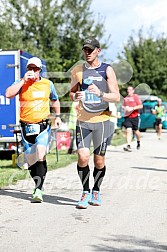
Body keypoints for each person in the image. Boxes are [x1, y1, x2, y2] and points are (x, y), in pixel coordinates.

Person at [70, 37, 120, 209]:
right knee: (83, 156)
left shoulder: (107, 70)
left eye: (91, 50)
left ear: (98, 50)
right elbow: (71, 93)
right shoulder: (77, 70)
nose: (87, 52)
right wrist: (75, 96)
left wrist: (100, 94)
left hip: (103, 121)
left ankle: (96, 190)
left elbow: (116, 96)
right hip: (83, 120)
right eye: (85, 49)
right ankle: (85, 191)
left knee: (99, 161)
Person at [5, 57, 61, 202]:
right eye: (29, 68)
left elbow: (55, 100)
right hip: (26, 127)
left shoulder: (48, 84)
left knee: (40, 153)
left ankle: (38, 190)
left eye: (35, 69)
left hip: (42, 125)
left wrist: (58, 116)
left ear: (40, 70)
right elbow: (8, 94)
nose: (32, 71)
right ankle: (38, 185)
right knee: (31, 161)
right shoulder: (21, 83)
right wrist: (23, 81)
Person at [122, 86, 143, 152]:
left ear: (133, 90)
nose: (128, 91)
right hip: (128, 117)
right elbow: (123, 106)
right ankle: (128, 145)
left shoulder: (136, 97)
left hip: (135, 116)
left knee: (136, 131)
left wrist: (133, 108)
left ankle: (138, 141)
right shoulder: (125, 98)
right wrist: (125, 108)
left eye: (130, 89)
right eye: (127, 89)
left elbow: (141, 106)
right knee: (128, 130)